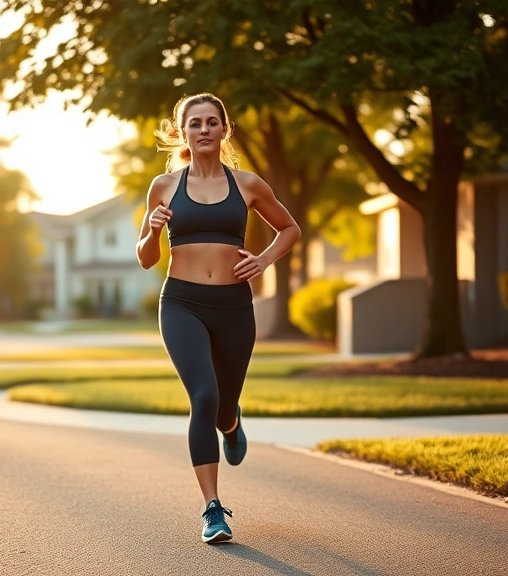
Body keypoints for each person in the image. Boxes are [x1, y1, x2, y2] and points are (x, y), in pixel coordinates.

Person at [135, 93, 300, 543]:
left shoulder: (247, 184)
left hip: (233, 307)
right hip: (182, 303)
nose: (204, 129)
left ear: (224, 130)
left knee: (224, 403)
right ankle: (212, 509)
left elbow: (290, 228)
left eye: (212, 122)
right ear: (182, 133)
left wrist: (264, 260)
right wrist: (151, 230)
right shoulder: (164, 186)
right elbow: (147, 259)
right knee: (203, 395)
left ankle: (232, 421)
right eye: (195, 124)